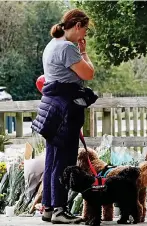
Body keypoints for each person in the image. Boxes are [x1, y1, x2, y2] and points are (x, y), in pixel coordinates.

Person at [31, 8, 97, 224]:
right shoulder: (68, 48)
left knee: (52, 160)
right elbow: (88, 74)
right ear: (77, 26)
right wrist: (84, 52)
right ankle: (60, 209)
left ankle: (49, 208)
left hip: (51, 109)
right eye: (84, 29)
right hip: (65, 110)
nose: (84, 35)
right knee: (65, 162)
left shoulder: (52, 44)